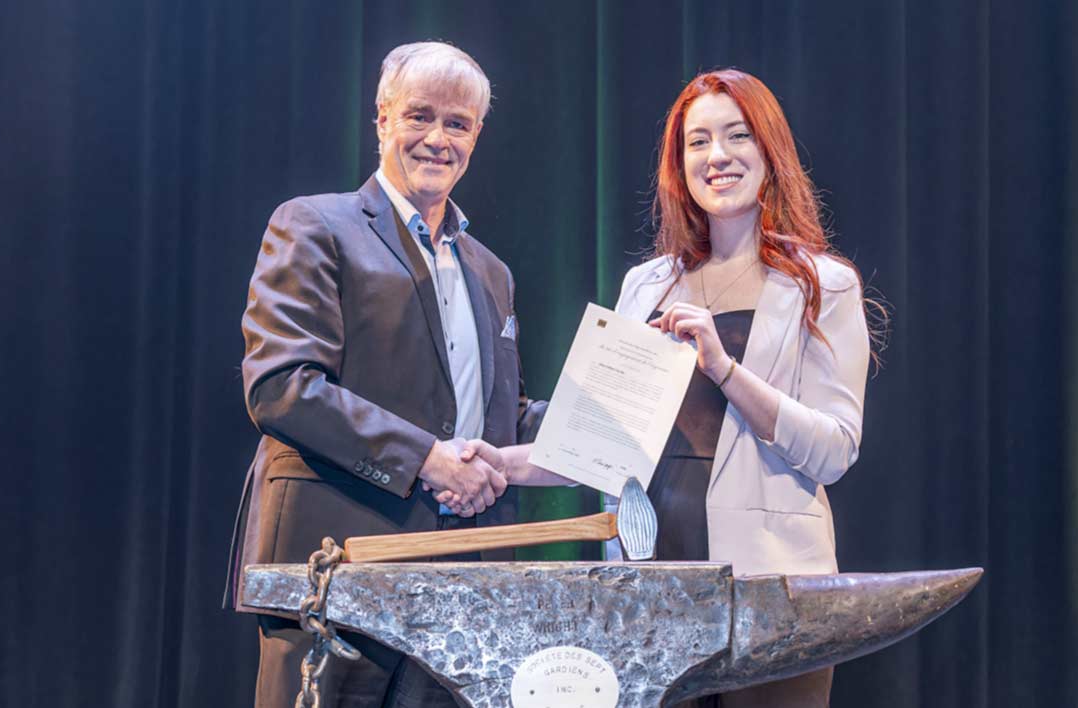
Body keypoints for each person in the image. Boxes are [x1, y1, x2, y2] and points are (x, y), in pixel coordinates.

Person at [457, 69, 874, 707]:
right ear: (680, 165)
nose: (718, 157)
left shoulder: (823, 286)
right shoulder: (646, 285)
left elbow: (834, 451)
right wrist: (501, 464)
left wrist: (725, 369)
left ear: (770, 152)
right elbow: (599, 444)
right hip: (649, 588)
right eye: (698, 141)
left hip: (770, 594)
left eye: (738, 136)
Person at [224, 41, 543, 707]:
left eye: (457, 123)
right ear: (382, 121)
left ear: (477, 136)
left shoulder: (492, 271)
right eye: (419, 116)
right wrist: (427, 457)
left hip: (463, 584)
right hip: (337, 572)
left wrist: (612, 424)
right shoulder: (314, 225)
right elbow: (283, 385)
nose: (437, 138)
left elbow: (498, 418)